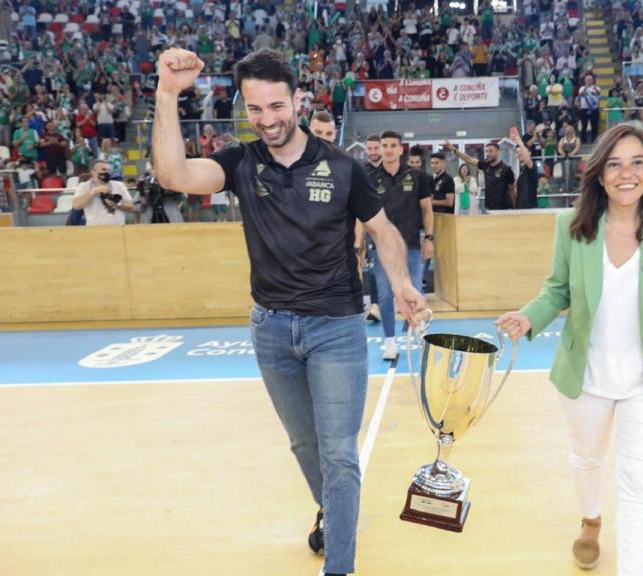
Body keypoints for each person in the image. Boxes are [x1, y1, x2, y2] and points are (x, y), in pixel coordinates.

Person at [153, 48, 427, 576]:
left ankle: (339, 565)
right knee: (304, 442)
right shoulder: (240, 162)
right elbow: (172, 174)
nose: (268, 119)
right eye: (255, 109)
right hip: (272, 330)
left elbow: (384, 230)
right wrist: (167, 93)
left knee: (339, 452)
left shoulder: (342, 167)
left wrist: (401, 283)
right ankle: (334, 510)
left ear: (298, 99)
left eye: (277, 105)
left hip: (336, 328)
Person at [496, 123, 643, 576]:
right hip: (586, 376)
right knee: (587, 459)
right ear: (600, 175)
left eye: (637, 163)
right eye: (614, 164)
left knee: (639, 485)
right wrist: (529, 316)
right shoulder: (572, 227)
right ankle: (591, 520)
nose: (626, 174)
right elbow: (557, 289)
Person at [371, 133, 434, 360]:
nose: (388, 149)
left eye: (392, 145)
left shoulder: (416, 177)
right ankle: (390, 341)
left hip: (412, 245)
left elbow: (427, 210)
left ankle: (417, 334)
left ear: (400, 149)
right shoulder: (370, 178)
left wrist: (429, 238)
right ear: (380, 149)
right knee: (385, 296)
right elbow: (362, 217)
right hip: (382, 249)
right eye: (384, 145)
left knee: (414, 291)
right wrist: (358, 246)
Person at [443, 139, 515, 210]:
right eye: (486, 151)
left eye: (491, 151)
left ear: (498, 152)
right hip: (489, 207)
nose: (488, 154)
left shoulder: (506, 169)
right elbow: (468, 159)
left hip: (503, 208)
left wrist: (515, 207)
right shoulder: (485, 165)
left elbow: (512, 190)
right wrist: (454, 150)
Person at [71, 159, 136, 226]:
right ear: (93, 172)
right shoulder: (83, 186)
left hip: (118, 228)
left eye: (109, 170)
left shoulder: (119, 185)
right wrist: (94, 191)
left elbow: (132, 207)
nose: (107, 172)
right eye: (104, 170)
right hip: (94, 229)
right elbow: (76, 205)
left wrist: (116, 203)